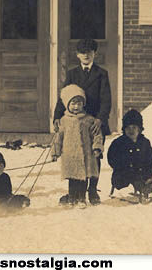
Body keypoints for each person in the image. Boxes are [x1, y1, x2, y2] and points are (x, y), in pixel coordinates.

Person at [53, 38, 111, 204]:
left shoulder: (101, 74)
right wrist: (57, 116)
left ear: (95, 54)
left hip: (93, 124)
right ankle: (76, 192)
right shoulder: (73, 74)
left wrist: (100, 119)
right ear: (78, 55)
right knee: (75, 156)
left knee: (95, 156)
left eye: (90, 52)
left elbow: (106, 99)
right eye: (83, 53)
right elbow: (64, 97)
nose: (86, 55)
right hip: (75, 124)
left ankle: (92, 190)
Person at [51, 85, 103, 207]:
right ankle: (72, 197)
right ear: (67, 105)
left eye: (79, 103)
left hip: (85, 155)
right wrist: (55, 152)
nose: (76, 106)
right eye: (73, 103)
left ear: (83, 104)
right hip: (70, 155)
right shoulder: (64, 120)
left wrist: (97, 147)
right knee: (72, 179)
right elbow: (58, 138)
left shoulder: (88, 120)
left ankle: (81, 199)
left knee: (83, 178)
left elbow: (97, 135)